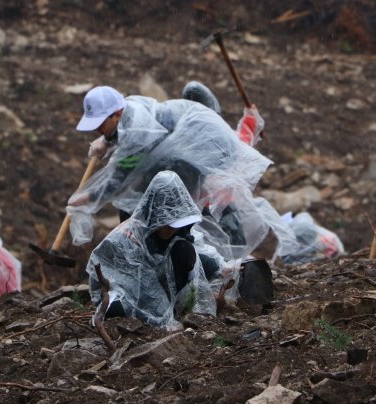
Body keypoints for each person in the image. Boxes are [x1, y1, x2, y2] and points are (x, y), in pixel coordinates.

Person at [66, 84, 293, 262]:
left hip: (201, 147)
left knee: (177, 207)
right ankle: (160, 255)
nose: (96, 129)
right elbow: (126, 145)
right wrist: (107, 140)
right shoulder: (129, 109)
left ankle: (208, 260)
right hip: (183, 149)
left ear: (116, 114)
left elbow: (121, 175)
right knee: (146, 204)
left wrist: (89, 197)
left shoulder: (137, 129)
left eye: (99, 124)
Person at [86, 171, 217, 329]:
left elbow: (200, 260)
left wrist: (224, 269)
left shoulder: (179, 237)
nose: (170, 229)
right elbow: (139, 283)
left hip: (163, 292)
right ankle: (156, 316)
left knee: (189, 253)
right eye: (166, 223)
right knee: (116, 309)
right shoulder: (130, 237)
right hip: (130, 290)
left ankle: (174, 311)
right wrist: (165, 321)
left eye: (174, 223)